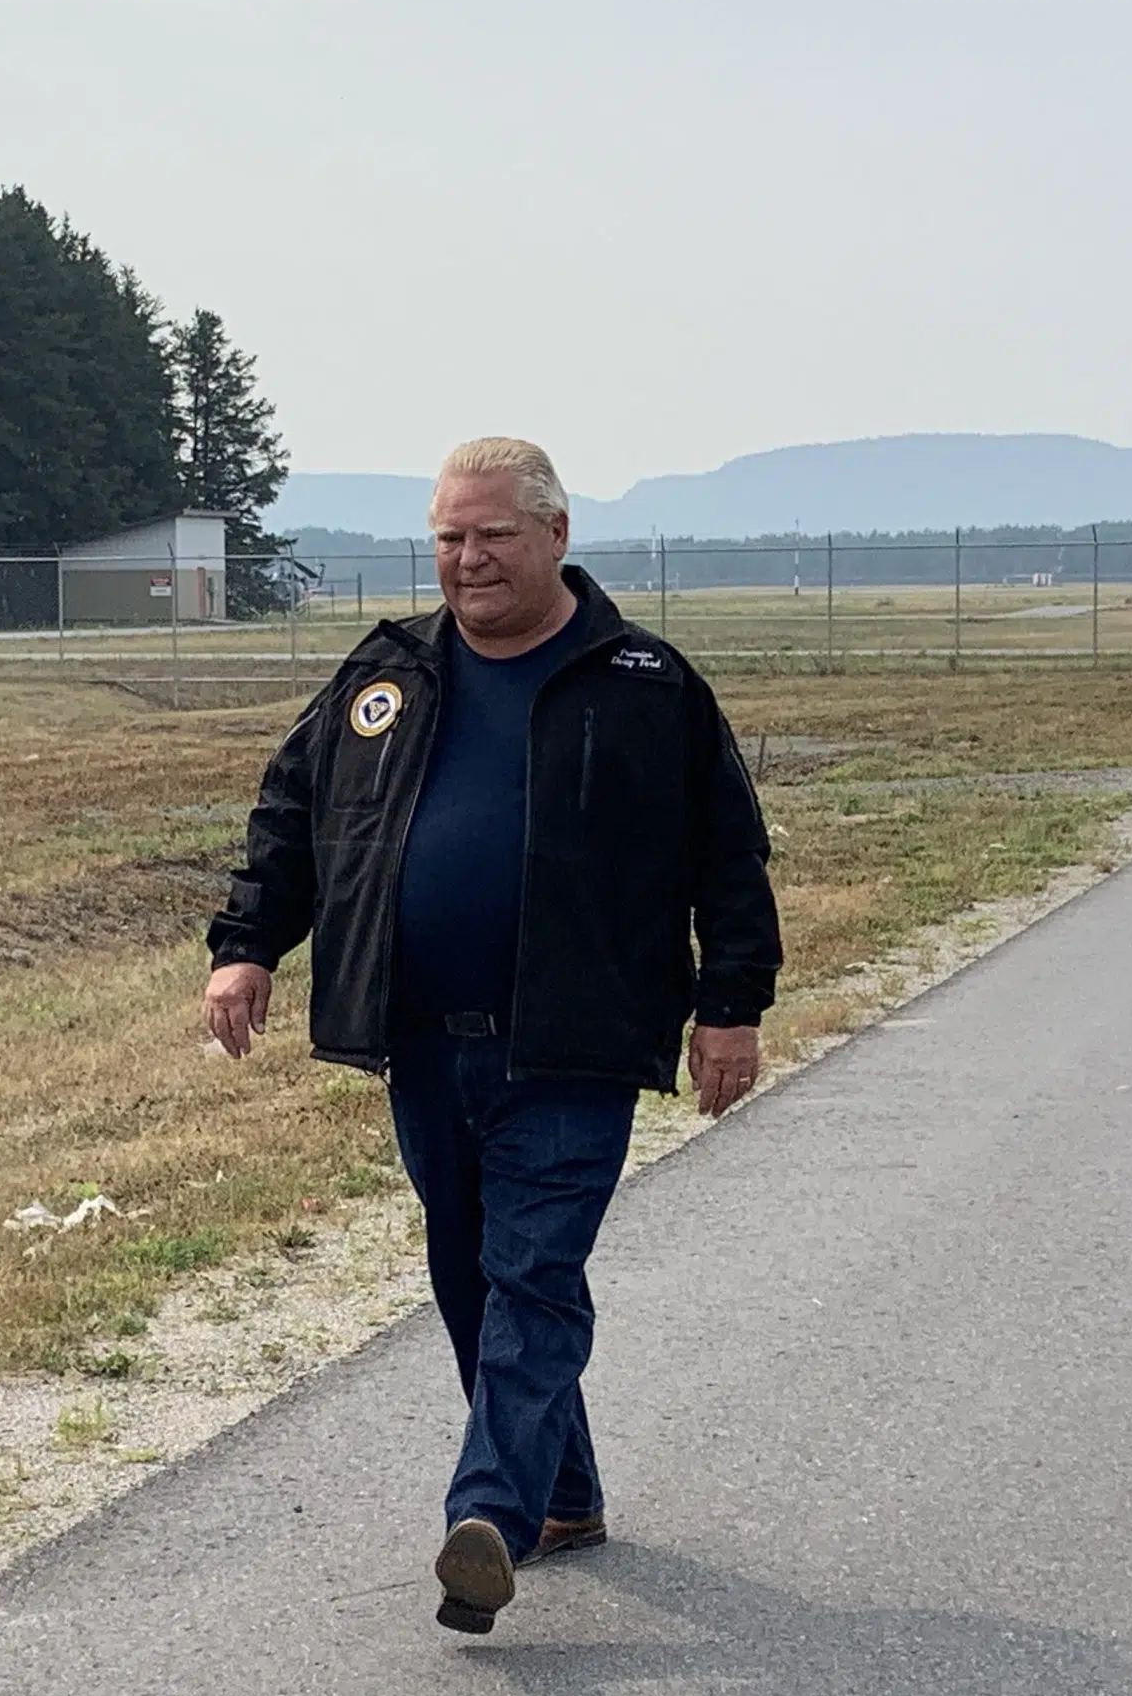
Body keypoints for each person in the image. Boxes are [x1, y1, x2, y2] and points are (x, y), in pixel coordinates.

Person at [201, 437, 781, 1634]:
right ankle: (562, 1495)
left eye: (493, 536)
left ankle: (489, 1514)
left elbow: (726, 857)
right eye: (450, 537)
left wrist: (731, 1006)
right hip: (421, 1037)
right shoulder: (390, 674)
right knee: (467, 1274)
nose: (468, 560)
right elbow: (297, 814)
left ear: (555, 537)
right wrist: (248, 944)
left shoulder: (642, 684)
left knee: (533, 1274)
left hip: (573, 1041)